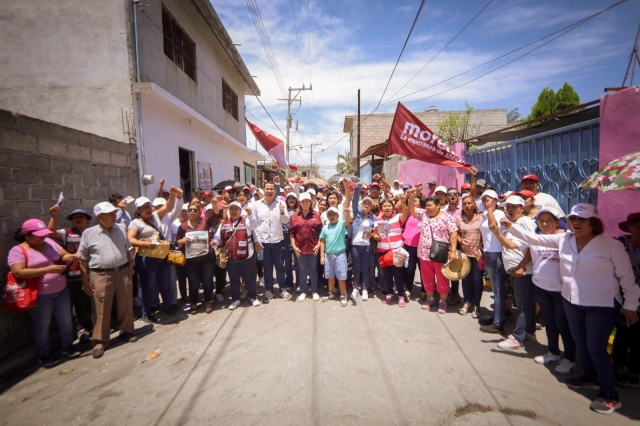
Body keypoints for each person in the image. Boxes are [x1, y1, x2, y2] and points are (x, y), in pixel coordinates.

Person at [502, 203, 639, 414]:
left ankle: (610, 394)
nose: (576, 223)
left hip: (600, 305)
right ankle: (591, 377)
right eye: (573, 219)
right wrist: (509, 226)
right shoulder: (564, 239)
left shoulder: (611, 245)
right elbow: (533, 239)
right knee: (581, 343)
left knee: (596, 347)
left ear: (594, 223)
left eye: (581, 219)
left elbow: (627, 278)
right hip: (572, 301)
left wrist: (630, 305)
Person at [8, 219, 79, 367]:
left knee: (66, 320)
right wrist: (47, 269)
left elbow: (63, 254)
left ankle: (68, 346)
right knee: (42, 325)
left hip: (61, 290)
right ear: (27, 235)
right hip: (40, 294)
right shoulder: (18, 251)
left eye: (43, 235)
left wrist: (70, 257)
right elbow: (18, 272)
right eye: (38, 235)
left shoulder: (48, 242)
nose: (42, 238)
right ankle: (44, 353)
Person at [78, 202, 137, 359]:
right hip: (101, 274)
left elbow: (127, 249)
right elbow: (82, 259)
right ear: (99, 217)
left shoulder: (121, 228)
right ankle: (100, 341)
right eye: (110, 214)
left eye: (114, 213)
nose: (114, 216)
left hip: (123, 270)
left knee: (126, 302)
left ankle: (127, 330)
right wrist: (85, 281)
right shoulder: (89, 234)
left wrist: (131, 268)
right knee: (101, 307)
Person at [487, 195, 537, 350]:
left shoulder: (525, 222)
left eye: (514, 207)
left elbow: (530, 247)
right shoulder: (513, 223)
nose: (509, 210)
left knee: (522, 305)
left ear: (522, 208)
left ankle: (517, 338)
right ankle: (529, 331)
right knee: (525, 303)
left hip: (522, 271)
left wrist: (521, 266)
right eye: (507, 207)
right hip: (515, 270)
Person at [127, 188, 179, 323]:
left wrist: (172, 195)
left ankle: (167, 307)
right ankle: (146, 313)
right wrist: (144, 244)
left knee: (165, 284)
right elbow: (131, 239)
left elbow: (168, 206)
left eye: (148, 206)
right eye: (144, 207)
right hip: (146, 259)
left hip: (161, 257)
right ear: (138, 210)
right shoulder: (135, 223)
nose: (147, 209)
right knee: (147, 286)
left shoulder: (156, 215)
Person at [46, 206, 93, 343]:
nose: (78, 219)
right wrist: (54, 216)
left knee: (95, 301)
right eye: (75, 218)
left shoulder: (93, 232)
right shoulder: (67, 232)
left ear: (87, 220)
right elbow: (50, 233)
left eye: (81, 217)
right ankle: (84, 329)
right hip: (75, 274)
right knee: (80, 303)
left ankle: (98, 325)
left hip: (95, 272)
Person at [407, 192, 458, 313]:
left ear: (438, 205)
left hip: (440, 253)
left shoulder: (446, 217)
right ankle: (430, 298)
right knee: (426, 277)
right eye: (426, 206)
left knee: (442, 278)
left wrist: (453, 251)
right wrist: (412, 196)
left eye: (430, 205)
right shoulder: (424, 214)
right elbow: (411, 208)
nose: (428, 208)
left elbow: (454, 233)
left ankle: (442, 301)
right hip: (424, 253)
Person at [213, 202, 261, 310]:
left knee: (249, 277)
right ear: (229, 211)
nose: (234, 211)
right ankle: (235, 299)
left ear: (240, 211)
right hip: (231, 257)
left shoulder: (246, 220)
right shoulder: (224, 223)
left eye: (236, 209)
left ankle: (253, 296)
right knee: (234, 279)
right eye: (232, 209)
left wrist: (251, 214)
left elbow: (254, 226)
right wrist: (214, 242)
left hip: (246, 256)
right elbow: (218, 237)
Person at [176, 201, 220, 314]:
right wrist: (181, 241)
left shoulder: (205, 221)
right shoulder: (182, 226)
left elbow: (216, 216)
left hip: (207, 257)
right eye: (190, 209)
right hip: (191, 259)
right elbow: (178, 243)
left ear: (199, 211)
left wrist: (215, 204)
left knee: (207, 281)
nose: (192, 211)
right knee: (193, 282)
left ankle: (208, 301)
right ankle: (193, 302)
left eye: (195, 209)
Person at [612, 212, 640, 388]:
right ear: (629, 228)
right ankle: (618, 365)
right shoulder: (618, 244)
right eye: (637, 226)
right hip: (624, 295)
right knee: (623, 330)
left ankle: (634, 369)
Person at [477, 190, 508, 334]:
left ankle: (498, 323)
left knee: (497, 291)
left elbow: (492, 226)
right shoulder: (488, 214)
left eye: (489, 199)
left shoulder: (499, 214)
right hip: (489, 253)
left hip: (496, 254)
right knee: (497, 289)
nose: (486, 202)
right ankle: (496, 316)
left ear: (496, 201)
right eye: (484, 200)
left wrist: (489, 210)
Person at [253, 181, 290, 303]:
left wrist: (282, 213)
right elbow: (254, 224)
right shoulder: (257, 205)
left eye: (271, 189)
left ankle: (282, 288)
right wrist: (256, 241)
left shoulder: (281, 203)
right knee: (267, 268)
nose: (269, 191)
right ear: (263, 190)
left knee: (280, 266)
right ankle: (269, 290)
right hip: (263, 241)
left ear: (275, 191)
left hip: (277, 240)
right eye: (267, 189)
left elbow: (286, 221)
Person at [373, 198, 408, 307]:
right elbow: (375, 234)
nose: (387, 208)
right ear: (381, 208)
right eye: (384, 206)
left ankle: (401, 296)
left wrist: (403, 202)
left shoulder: (398, 217)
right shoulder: (378, 220)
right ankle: (390, 294)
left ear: (393, 208)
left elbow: (405, 214)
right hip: (382, 250)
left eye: (389, 206)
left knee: (398, 274)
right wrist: (377, 237)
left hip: (397, 250)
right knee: (386, 274)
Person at [289, 192, 323, 301]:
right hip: (300, 248)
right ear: (299, 202)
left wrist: (318, 245)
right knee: (302, 270)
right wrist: (294, 247)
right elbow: (291, 233)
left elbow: (321, 232)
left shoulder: (316, 215)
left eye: (307, 201)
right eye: (303, 201)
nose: (305, 203)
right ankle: (303, 290)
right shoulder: (294, 216)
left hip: (313, 247)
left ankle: (314, 290)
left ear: (310, 202)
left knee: (313, 270)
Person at [456, 195, 484, 318]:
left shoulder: (482, 217)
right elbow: (454, 233)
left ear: (474, 204)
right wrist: (458, 238)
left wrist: (482, 246)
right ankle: (467, 302)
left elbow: (486, 234)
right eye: (465, 204)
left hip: (478, 254)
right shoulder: (459, 218)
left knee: (477, 280)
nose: (467, 206)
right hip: (464, 254)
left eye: (469, 203)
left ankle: (476, 304)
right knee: (466, 279)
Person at [320, 205, 351, 306]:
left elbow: (347, 221)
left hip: (340, 255)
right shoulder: (325, 227)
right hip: (328, 255)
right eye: (330, 214)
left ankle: (343, 295)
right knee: (330, 275)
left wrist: (348, 212)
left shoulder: (341, 225)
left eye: (334, 214)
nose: (332, 216)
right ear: (327, 216)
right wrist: (322, 256)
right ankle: (331, 292)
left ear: (338, 216)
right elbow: (322, 242)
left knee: (341, 276)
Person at [349, 183, 376, 301]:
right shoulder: (357, 214)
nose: (366, 205)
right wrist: (358, 187)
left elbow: (377, 232)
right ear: (362, 204)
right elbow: (354, 200)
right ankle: (356, 288)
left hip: (366, 246)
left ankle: (364, 289)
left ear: (371, 206)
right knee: (357, 268)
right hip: (355, 245)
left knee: (365, 268)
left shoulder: (373, 218)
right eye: (365, 203)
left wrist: (372, 235)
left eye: (369, 204)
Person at [401, 183, 425, 300]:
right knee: (409, 269)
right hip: (409, 245)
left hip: (422, 246)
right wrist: (411, 195)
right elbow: (405, 205)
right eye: (413, 201)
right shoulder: (409, 213)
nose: (413, 202)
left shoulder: (425, 213)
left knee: (423, 270)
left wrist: (417, 192)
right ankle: (408, 288)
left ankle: (425, 290)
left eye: (416, 200)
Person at [445, 187, 462, 305]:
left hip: (462, 243)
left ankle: (459, 295)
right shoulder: (444, 212)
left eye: (454, 194)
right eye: (450, 194)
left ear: (458, 196)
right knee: (448, 269)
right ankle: (450, 292)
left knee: (461, 269)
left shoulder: (462, 209)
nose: (452, 196)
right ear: (447, 197)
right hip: (447, 243)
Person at [282, 193, 299, 293]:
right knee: (287, 263)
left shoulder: (299, 211)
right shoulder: (283, 210)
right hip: (285, 238)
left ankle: (299, 284)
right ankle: (289, 283)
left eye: (293, 198)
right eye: (289, 198)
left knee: (298, 263)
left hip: (297, 239)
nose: (291, 200)